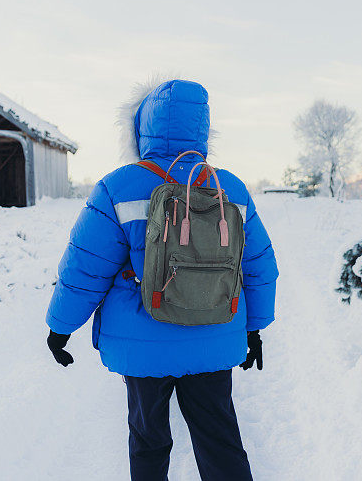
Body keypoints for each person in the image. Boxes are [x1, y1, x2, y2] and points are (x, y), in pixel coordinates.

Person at [44, 78, 278, 481]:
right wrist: (253, 329)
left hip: (143, 342)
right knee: (220, 441)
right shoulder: (231, 188)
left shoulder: (118, 187)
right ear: (203, 128)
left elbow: (84, 267)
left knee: (148, 441)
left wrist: (60, 327)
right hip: (213, 335)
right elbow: (257, 265)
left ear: (141, 127)